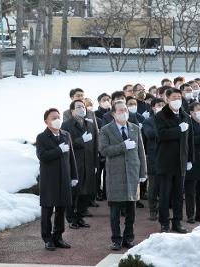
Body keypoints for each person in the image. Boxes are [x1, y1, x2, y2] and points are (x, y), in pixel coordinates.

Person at [99, 101, 147, 250]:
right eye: (120, 110)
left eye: (125, 110)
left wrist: (142, 172)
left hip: (132, 173)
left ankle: (129, 237)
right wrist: (122, 147)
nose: (124, 112)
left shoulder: (135, 128)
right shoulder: (106, 130)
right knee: (115, 210)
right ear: (113, 113)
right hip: (115, 174)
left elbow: (141, 152)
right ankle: (116, 239)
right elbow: (104, 150)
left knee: (131, 209)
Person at [36, 108, 78, 251]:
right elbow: (42, 156)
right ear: (46, 121)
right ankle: (47, 238)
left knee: (61, 210)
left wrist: (74, 176)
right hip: (49, 180)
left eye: (58, 117)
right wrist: (58, 150)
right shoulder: (41, 137)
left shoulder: (66, 135)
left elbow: (71, 157)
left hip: (64, 178)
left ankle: (58, 236)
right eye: (53, 118)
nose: (57, 120)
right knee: (47, 210)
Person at [155, 88, 194, 233]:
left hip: (181, 161)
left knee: (178, 194)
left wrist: (190, 159)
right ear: (167, 99)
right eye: (174, 97)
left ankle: (177, 221)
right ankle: (164, 222)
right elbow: (161, 134)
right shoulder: (161, 115)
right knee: (165, 194)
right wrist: (178, 129)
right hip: (166, 161)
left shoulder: (185, 115)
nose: (177, 100)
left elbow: (189, 140)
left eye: (179, 97)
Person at [61, 100, 99, 228]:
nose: (81, 109)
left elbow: (95, 144)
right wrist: (81, 140)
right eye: (78, 107)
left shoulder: (90, 123)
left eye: (83, 107)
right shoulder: (66, 125)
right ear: (72, 111)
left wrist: (95, 162)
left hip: (88, 162)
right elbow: (66, 143)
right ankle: (71, 218)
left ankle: (80, 216)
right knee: (74, 192)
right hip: (75, 162)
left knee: (86, 191)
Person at [142, 98, 165, 221]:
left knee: (165, 186)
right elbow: (150, 135)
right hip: (153, 156)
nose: (161, 107)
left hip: (167, 156)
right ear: (153, 107)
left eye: (163, 105)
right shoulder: (148, 121)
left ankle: (163, 209)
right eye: (158, 105)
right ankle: (152, 210)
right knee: (154, 186)